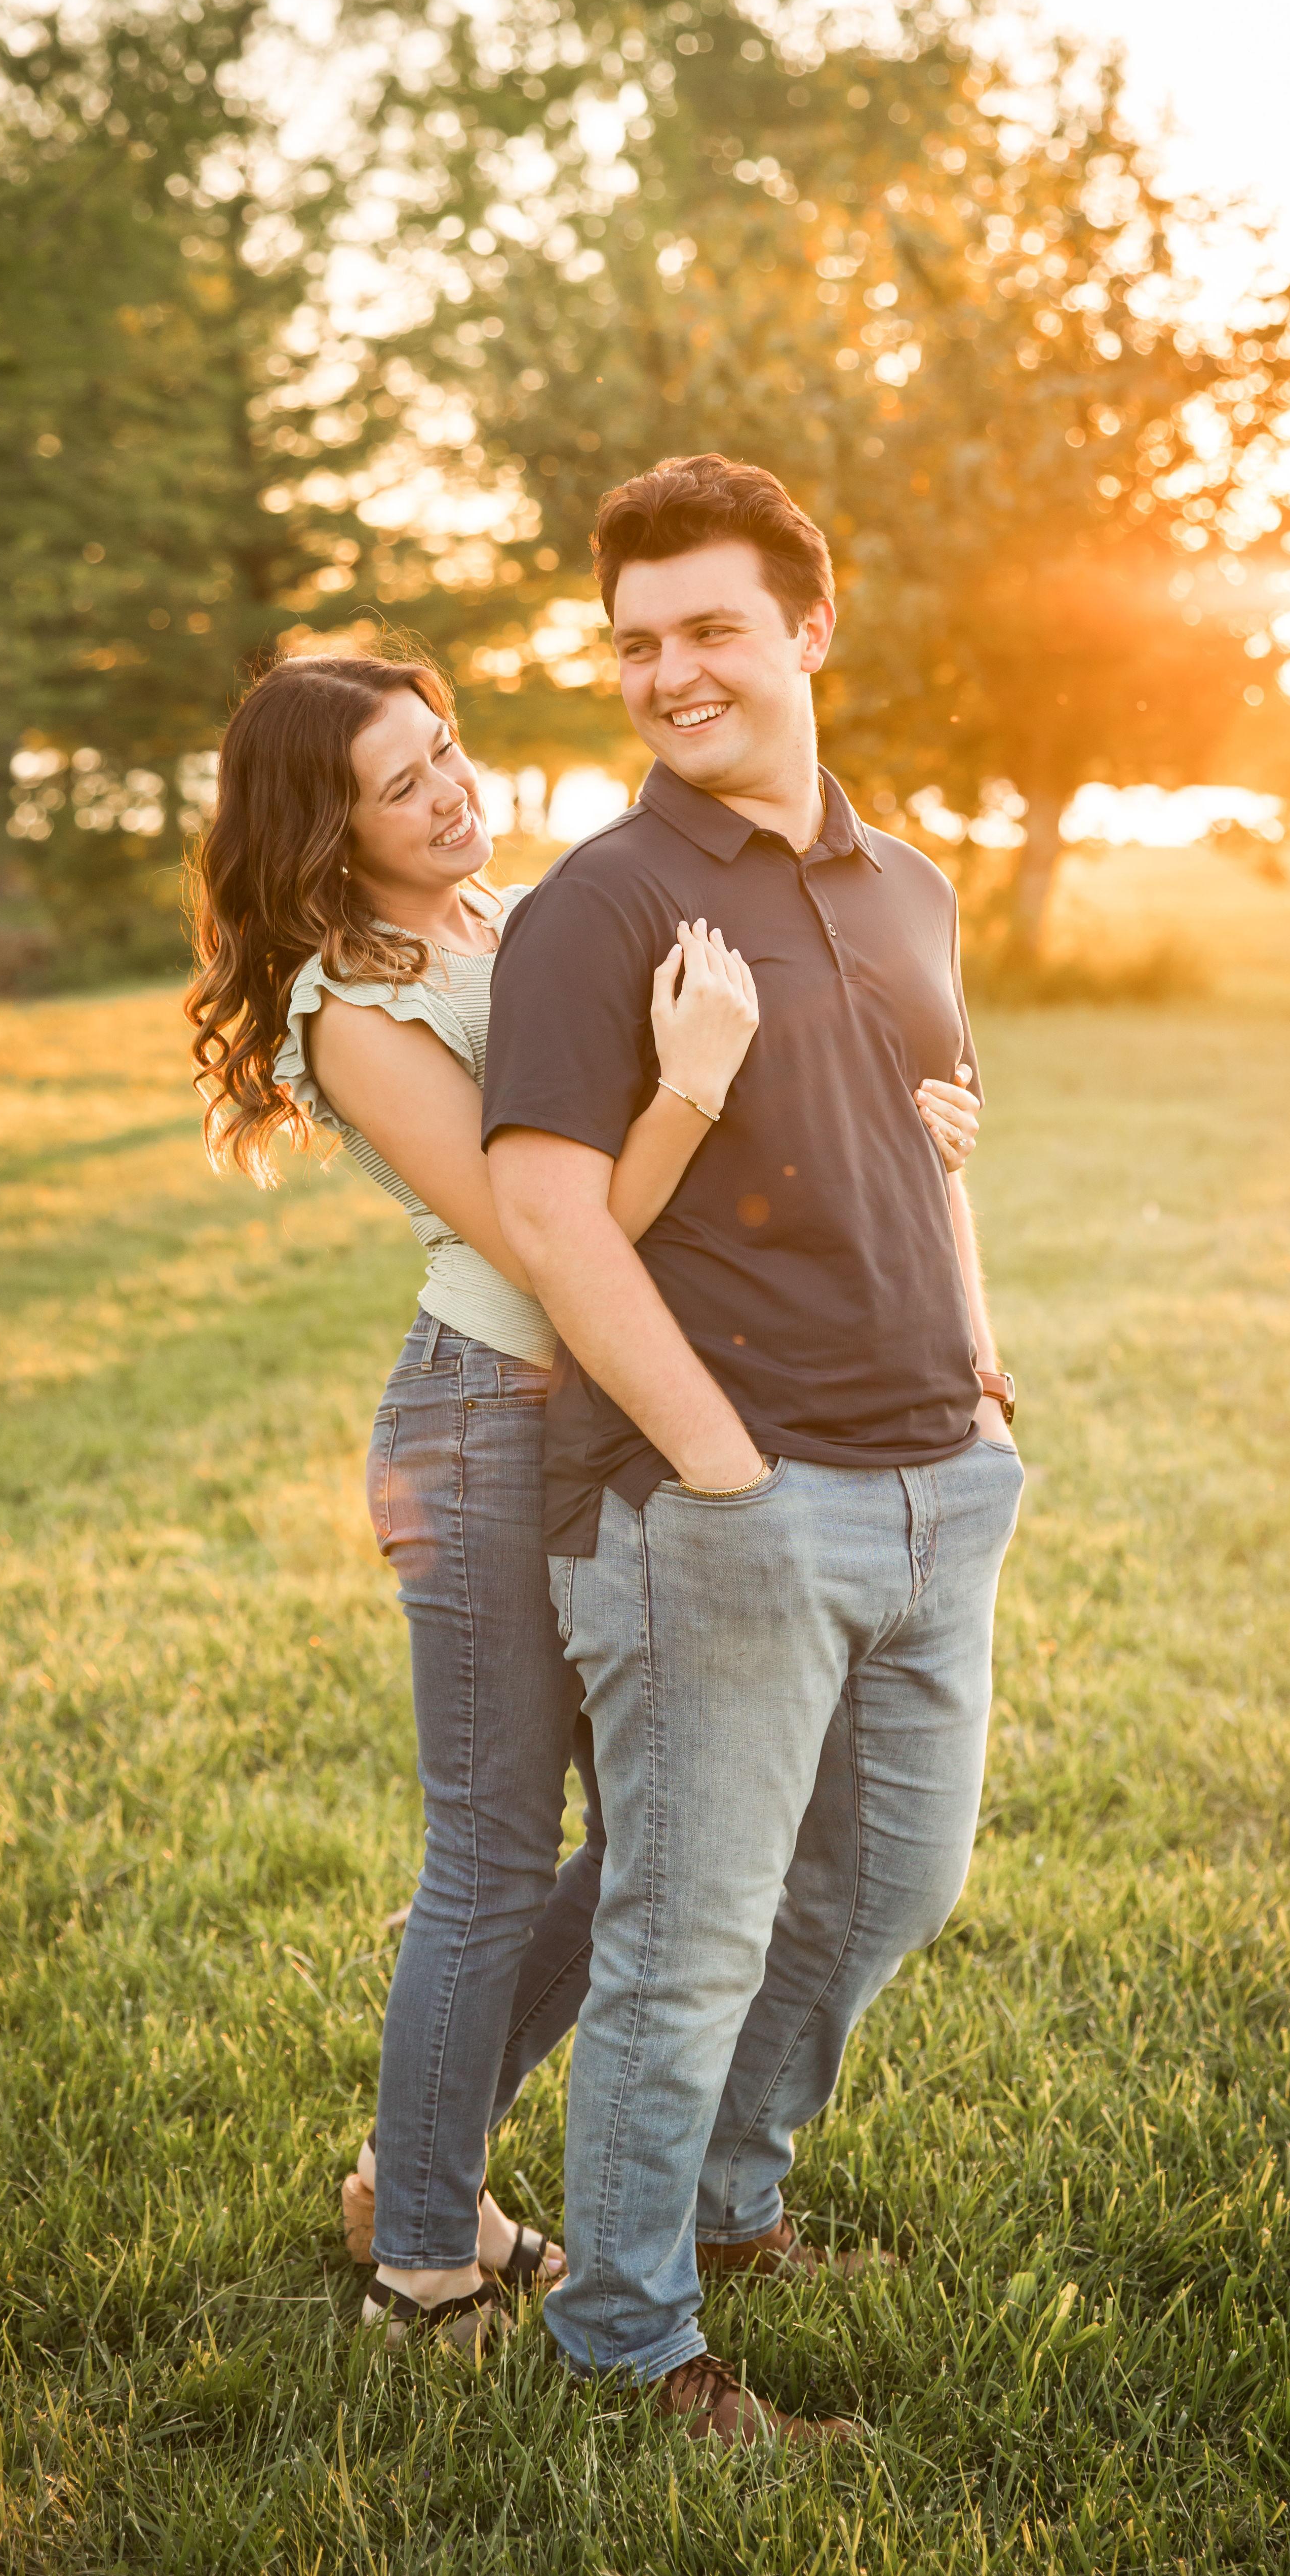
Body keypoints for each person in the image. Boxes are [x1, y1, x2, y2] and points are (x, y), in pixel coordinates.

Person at [182, 645, 984, 2355]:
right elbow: (560, 1234)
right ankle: (422, 2263)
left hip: (607, 1414)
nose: (450, 793)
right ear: (326, 831)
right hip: (486, 1418)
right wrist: (691, 1082)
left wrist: (905, 1117)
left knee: (643, 1844)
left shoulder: (516, 920)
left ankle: (414, 2165)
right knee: (491, 1853)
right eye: (400, 785)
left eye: (447, 750)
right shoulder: (357, 1009)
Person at [482, 455, 1024, 2446]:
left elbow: (935, 1144)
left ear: (810, 627)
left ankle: (727, 2208)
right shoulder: (601, 905)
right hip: (717, 1505)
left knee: (890, 1888)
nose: (670, 674)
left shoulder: (910, 887)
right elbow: (549, 1219)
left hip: (938, 1479)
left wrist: (986, 1377)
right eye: (635, 643)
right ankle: (628, 2342)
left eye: (710, 628)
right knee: (684, 1941)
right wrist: (723, 1470)